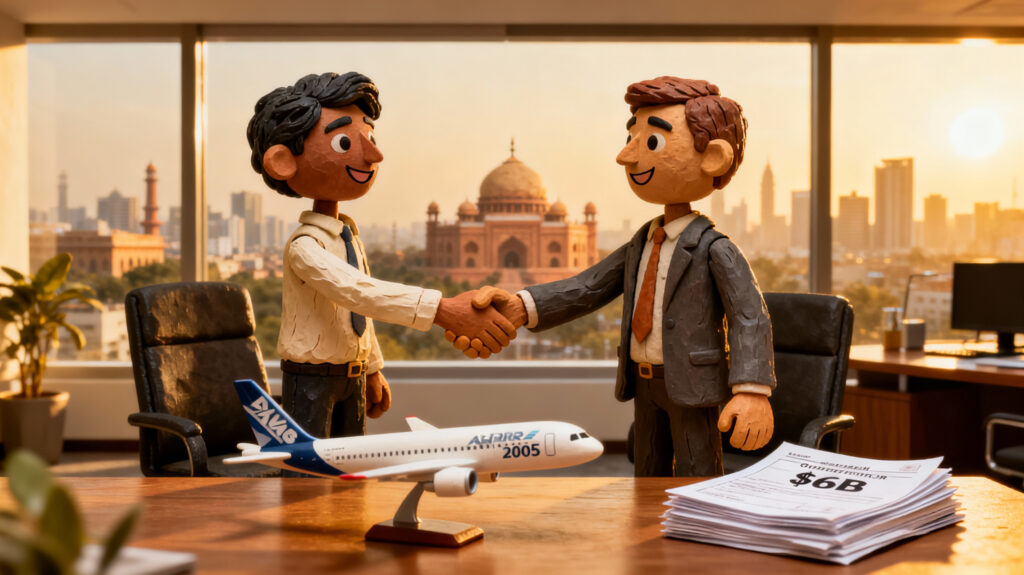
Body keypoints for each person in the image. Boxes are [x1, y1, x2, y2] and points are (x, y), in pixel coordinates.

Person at [456, 76, 776, 476]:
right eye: (631, 138)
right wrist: (522, 306)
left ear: (713, 157)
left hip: (692, 385)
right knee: (647, 471)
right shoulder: (644, 242)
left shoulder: (716, 248)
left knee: (697, 473)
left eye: (650, 142)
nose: (626, 156)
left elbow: (750, 315)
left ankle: (698, 535)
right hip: (644, 384)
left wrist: (752, 389)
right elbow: (589, 287)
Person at [247, 72, 516, 444]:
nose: (374, 154)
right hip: (310, 379)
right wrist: (442, 309)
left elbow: (357, 314)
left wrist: (370, 369)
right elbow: (359, 293)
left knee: (353, 471)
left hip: (351, 376)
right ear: (282, 162)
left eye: (369, 137)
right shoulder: (305, 246)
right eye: (345, 141)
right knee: (305, 476)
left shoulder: (346, 236)